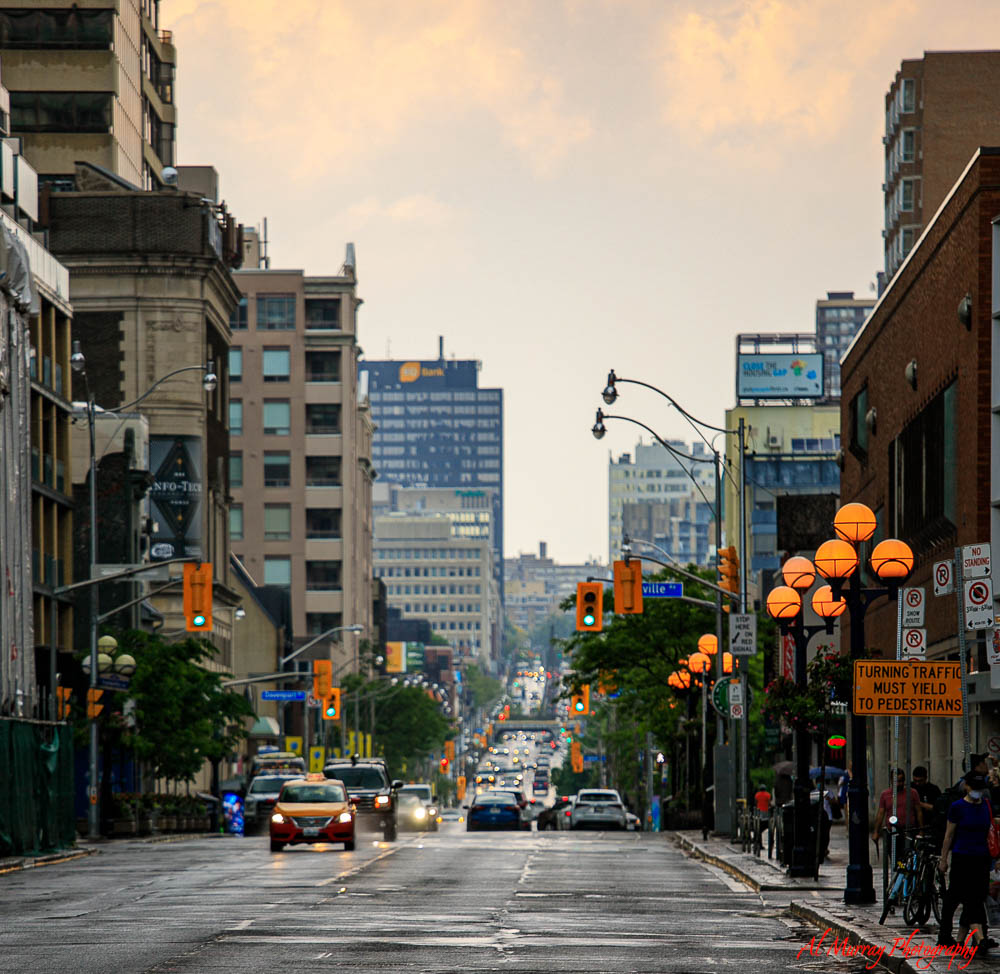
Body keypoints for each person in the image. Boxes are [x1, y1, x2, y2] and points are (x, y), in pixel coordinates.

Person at [937, 771, 997, 950]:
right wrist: (943, 858)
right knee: (955, 899)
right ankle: (976, 938)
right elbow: (949, 835)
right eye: (975, 788)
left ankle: (962, 940)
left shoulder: (986, 805)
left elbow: (991, 829)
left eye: (981, 788)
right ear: (967, 787)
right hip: (963, 858)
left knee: (977, 898)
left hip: (982, 858)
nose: (978, 791)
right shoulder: (957, 807)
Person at [871, 768, 923, 840]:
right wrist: (876, 832)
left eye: (901, 781)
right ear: (891, 780)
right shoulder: (885, 794)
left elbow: (919, 812)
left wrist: (921, 830)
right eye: (896, 781)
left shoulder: (913, 793)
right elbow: (880, 814)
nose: (898, 784)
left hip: (909, 831)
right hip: (891, 831)